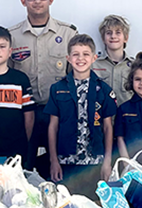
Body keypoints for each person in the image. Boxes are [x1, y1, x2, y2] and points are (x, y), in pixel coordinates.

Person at [9, 0, 77, 173]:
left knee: (61, 171)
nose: (37, 0)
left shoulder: (68, 34)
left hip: (59, 113)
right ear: (23, 1)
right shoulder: (12, 36)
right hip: (23, 115)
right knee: (23, 168)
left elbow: (76, 77)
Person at [45, 34, 116, 200]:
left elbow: (107, 127)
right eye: (76, 54)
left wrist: (107, 162)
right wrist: (53, 160)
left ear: (94, 58)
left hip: (94, 163)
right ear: (68, 58)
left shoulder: (103, 89)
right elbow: (52, 127)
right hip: (66, 162)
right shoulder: (57, 89)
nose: (80, 58)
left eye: (85, 54)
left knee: (92, 202)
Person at [0, 26, 36, 159]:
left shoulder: (20, 79)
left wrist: (25, 143)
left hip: (14, 149)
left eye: (2, 46)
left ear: (10, 52)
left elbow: (29, 116)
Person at [92, 15, 135, 105]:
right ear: (103, 38)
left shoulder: (135, 66)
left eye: (118, 32)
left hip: (127, 117)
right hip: (101, 117)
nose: (113, 36)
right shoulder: (93, 65)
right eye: (109, 33)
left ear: (126, 38)